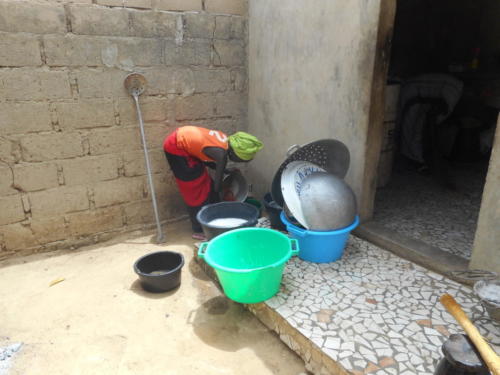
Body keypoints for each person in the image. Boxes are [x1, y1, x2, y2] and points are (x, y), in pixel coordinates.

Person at [163, 126, 263, 240]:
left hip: (184, 141)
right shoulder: (222, 155)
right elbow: (217, 186)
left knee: (204, 180)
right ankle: (198, 229)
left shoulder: (225, 143)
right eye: (241, 160)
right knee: (194, 188)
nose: (240, 162)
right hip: (176, 147)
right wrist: (224, 192)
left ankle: (208, 214)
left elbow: (205, 156)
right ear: (237, 154)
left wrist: (225, 171)